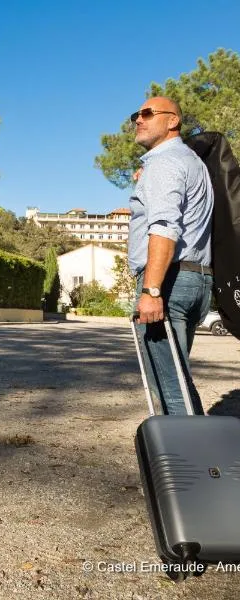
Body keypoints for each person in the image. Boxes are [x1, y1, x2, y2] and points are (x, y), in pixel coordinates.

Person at [128, 96, 214, 415]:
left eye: (148, 113)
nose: (139, 119)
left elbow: (164, 225)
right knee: (179, 379)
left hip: (168, 282)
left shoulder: (164, 162)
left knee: (171, 390)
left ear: (172, 121)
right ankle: (197, 459)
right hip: (196, 279)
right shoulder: (192, 162)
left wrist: (151, 290)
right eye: (137, 114)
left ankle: (195, 463)